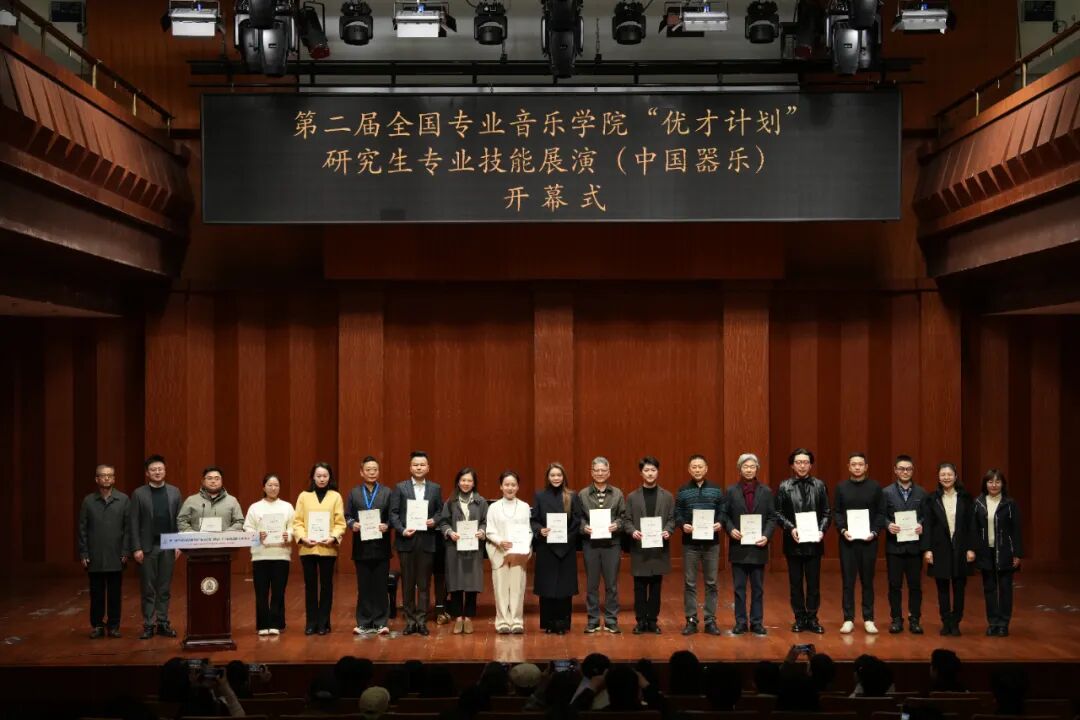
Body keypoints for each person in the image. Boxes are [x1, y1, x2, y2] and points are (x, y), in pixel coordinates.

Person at [774, 448, 831, 633]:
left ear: (811, 465)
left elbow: (827, 512)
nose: (802, 466)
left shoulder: (820, 485)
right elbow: (777, 513)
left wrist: (822, 530)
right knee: (796, 583)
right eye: (798, 462)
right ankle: (799, 618)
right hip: (793, 543)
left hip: (814, 543)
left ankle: (813, 618)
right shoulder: (784, 486)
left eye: (805, 462)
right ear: (792, 465)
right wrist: (791, 528)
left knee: (814, 584)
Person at [389, 451, 444, 636]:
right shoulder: (400, 488)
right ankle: (410, 621)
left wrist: (434, 521)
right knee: (407, 583)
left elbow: (440, 511)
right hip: (406, 541)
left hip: (427, 541)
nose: (419, 467)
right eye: (415, 465)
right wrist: (402, 529)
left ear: (428, 468)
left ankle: (421, 621)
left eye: (422, 465)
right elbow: (393, 514)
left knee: (424, 584)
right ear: (410, 467)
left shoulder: (435, 488)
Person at [129, 454, 182, 640]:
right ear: (147, 473)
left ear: (165, 471)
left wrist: (179, 544)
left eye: (160, 469)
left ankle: (163, 622)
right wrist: (136, 547)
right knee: (148, 588)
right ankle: (149, 624)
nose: (157, 472)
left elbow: (180, 519)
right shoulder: (139, 494)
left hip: (169, 545)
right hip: (147, 547)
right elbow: (134, 522)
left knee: (164, 587)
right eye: (153, 469)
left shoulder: (174, 492)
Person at [722, 452, 776, 636]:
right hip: (738, 547)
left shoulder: (766, 492)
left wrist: (766, 536)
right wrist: (730, 530)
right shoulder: (731, 491)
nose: (749, 470)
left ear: (757, 469)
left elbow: (772, 517)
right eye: (745, 466)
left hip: (759, 546)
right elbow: (724, 515)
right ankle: (740, 622)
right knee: (739, 589)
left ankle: (757, 622)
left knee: (758, 589)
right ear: (739, 469)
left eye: (752, 466)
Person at [834, 452, 887, 635]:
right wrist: (843, 530)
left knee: (868, 581)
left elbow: (881, 512)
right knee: (848, 581)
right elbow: (837, 512)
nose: (857, 467)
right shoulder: (841, 487)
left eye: (860, 464)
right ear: (848, 467)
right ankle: (848, 619)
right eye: (854, 464)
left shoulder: (875, 487)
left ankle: (869, 618)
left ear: (866, 467)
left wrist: (874, 532)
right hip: (847, 541)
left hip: (868, 541)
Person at [674, 453, 726, 636]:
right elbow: (677, 513)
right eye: (694, 467)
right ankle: (691, 620)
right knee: (690, 583)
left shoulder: (716, 490)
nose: (697, 470)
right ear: (689, 470)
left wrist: (720, 522)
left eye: (700, 467)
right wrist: (683, 525)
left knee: (712, 582)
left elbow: (723, 511)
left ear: (706, 469)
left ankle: (710, 620)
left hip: (712, 543)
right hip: (690, 544)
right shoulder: (682, 490)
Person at [921, 463, 975, 636]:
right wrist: (927, 549)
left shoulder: (966, 498)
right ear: (938, 477)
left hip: (961, 548)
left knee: (959, 588)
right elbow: (927, 526)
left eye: (949, 474)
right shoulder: (931, 499)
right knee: (942, 588)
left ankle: (956, 621)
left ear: (955, 476)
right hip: (939, 548)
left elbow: (971, 525)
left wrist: (971, 548)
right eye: (943, 474)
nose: (946, 477)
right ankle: (946, 621)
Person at [78, 464, 130, 638]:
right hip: (95, 555)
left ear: (114, 479)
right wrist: (84, 553)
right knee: (96, 594)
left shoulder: (123, 499)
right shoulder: (88, 501)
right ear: (97, 479)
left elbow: (128, 528)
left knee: (115, 594)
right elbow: (82, 529)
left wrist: (125, 551)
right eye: (103, 475)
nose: (107, 478)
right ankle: (98, 625)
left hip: (116, 555)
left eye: (110, 475)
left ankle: (114, 626)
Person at [294, 462, 347, 635]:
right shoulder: (304, 496)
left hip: (327, 548)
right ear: (313, 477)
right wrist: (303, 537)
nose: (322, 479)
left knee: (326, 586)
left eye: (325, 476)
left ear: (330, 477)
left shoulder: (335, 496)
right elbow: (297, 521)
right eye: (318, 476)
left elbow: (340, 522)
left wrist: (333, 537)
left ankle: (324, 622)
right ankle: (311, 623)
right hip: (308, 547)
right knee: (310, 586)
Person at [625, 456, 675, 634]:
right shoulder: (632, 497)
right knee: (639, 587)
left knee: (655, 587)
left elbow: (672, 519)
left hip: (659, 548)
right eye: (646, 470)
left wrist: (668, 530)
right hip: (639, 548)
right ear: (641, 473)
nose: (650, 473)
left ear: (658, 472)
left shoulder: (667, 496)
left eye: (653, 470)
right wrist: (632, 531)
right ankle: (640, 621)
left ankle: (653, 621)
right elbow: (627, 520)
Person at [436, 466, 488, 635]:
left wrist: (482, 531)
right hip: (454, 547)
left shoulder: (481, 502)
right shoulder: (450, 502)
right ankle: (458, 617)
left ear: (474, 483)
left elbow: (486, 521)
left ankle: (469, 618)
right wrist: (450, 532)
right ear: (458, 482)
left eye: (469, 481)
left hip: (474, 548)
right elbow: (443, 522)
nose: (466, 483)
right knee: (456, 582)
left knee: (472, 583)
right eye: (463, 480)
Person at [532, 462, 583, 634]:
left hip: (566, 548)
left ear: (564, 477)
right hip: (546, 548)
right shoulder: (540, 496)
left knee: (564, 589)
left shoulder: (572, 496)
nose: (556, 478)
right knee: (547, 588)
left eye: (559, 475)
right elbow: (534, 520)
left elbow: (577, 520)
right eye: (552, 475)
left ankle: (562, 624)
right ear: (548, 477)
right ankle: (548, 623)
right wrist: (540, 530)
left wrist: (566, 539)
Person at [577, 456, 627, 634]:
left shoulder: (617, 494)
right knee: (592, 584)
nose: (600, 473)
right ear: (591, 472)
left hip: (612, 544)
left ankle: (611, 620)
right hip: (590, 544)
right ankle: (593, 620)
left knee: (611, 584)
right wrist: (584, 527)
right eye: (596, 470)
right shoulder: (583, 494)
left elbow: (624, 517)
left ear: (609, 472)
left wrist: (617, 525)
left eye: (603, 470)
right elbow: (578, 518)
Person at [345, 456, 394, 636]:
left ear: (378, 472)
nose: (372, 472)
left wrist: (387, 525)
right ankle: (364, 622)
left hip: (381, 547)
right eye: (368, 469)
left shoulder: (387, 492)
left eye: (375, 469)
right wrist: (353, 524)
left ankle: (381, 622)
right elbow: (347, 516)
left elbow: (393, 516)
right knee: (364, 586)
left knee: (381, 586)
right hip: (361, 547)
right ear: (361, 472)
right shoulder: (354, 493)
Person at [973, 469, 1022, 637]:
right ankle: (993, 622)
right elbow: (974, 529)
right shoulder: (978, 503)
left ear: (1002, 484)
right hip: (985, 551)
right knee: (989, 589)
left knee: (1005, 589)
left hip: (1006, 551)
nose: (994, 485)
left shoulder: (1010, 503)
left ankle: (1003, 623)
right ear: (985, 484)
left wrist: (1017, 553)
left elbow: (1016, 530)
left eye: (997, 482)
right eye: (990, 482)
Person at [242, 473, 294, 635]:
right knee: (261, 592)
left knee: (279, 592)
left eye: (276, 485)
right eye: (270, 485)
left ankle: (277, 624)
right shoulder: (255, 507)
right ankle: (263, 624)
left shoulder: (287, 507)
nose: (273, 488)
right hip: (260, 555)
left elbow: (294, 526)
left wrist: (288, 534)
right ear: (263, 487)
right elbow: (247, 528)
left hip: (281, 554)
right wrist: (257, 535)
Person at [883, 454, 927, 634]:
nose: (905, 472)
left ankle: (914, 619)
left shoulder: (922, 493)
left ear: (913, 470)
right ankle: (896, 619)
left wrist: (921, 525)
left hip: (915, 548)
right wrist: (888, 525)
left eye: (908, 469)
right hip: (894, 547)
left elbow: (926, 516)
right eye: (901, 469)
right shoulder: (886, 492)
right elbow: (880, 515)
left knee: (915, 586)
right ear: (895, 470)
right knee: (894, 585)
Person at [486, 470, 532, 634]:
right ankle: (502, 621)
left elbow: (528, 530)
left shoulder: (524, 507)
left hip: (519, 552)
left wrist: (525, 544)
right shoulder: (493, 507)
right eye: (506, 485)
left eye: (513, 485)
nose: (510, 488)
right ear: (501, 486)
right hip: (499, 551)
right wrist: (500, 542)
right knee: (501, 587)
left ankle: (517, 621)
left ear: (518, 487)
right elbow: (489, 530)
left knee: (517, 587)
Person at [176, 466, 244, 532]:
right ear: (203, 481)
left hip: (224, 539)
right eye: (209, 478)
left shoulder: (232, 501)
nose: (213, 481)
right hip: (197, 539)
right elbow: (182, 521)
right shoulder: (191, 500)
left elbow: (239, 522)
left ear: (222, 481)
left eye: (217, 478)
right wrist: (194, 536)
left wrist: (224, 535)